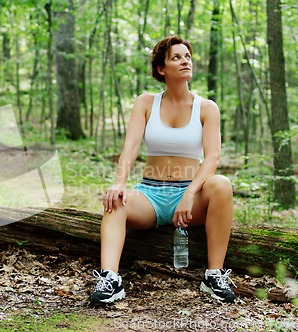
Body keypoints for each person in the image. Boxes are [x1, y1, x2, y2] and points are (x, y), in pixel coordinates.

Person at [88, 36, 236, 305]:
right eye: (176, 57)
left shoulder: (207, 108)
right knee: (115, 202)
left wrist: (190, 194)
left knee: (222, 184)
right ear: (161, 68)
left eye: (187, 56)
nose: (185, 61)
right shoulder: (146, 103)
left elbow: (213, 157)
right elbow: (130, 147)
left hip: (191, 198)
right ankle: (110, 279)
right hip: (150, 195)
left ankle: (214, 276)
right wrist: (119, 182)